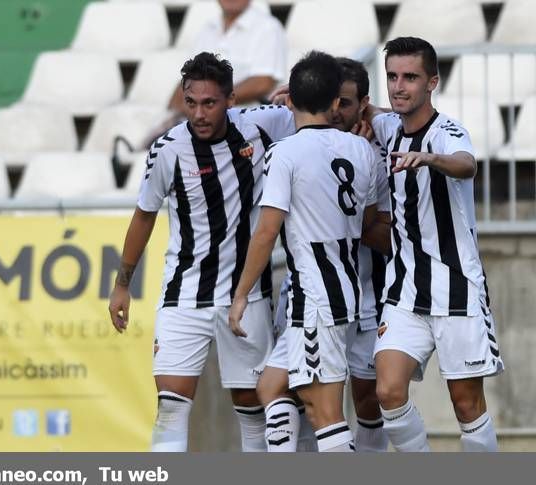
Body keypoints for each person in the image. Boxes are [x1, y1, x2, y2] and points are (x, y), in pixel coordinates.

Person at [108, 52, 295, 452]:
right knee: (172, 406)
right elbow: (143, 217)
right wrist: (122, 284)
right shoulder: (168, 149)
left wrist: (298, 93)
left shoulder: (262, 124)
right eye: (190, 103)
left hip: (248, 295)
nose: (199, 113)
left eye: (209, 103)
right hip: (184, 293)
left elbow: (318, 109)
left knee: (251, 405)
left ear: (230, 100)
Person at [229, 50, 381, 453]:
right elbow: (368, 222)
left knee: (324, 412)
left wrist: (241, 294)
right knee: (272, 386)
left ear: (289, 100)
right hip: (339, 287)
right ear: (336, 103)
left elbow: (266, 233)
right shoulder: (362, 150)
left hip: (316, 296)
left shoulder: (285, 153)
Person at [367, 37, 503, 452]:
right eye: (392, 76)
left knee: (466, 406)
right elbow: (363, 109)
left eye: (410, 77)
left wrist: (429, 160)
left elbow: (467, 163)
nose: (399, 86)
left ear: (433, 82)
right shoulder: (389, 126)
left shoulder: (447, 132)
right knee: (388, 392)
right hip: (405, 290)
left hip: (456, 290)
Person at [169, 0, 287, 112]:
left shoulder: (268, 27)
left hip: (245, 117)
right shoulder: (207, 28)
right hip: (199, 115)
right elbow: (188, 76)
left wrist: (211, 100)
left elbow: (263, 83)